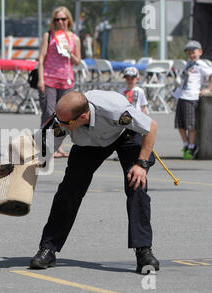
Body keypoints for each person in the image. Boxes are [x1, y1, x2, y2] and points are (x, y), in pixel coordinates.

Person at [30, 90, 160, 274]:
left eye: (65, 123)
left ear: (83, 116)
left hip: (124, 135)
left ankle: (144, 251)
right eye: (58, 119)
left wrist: (141, 164)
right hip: (88, 145)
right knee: (68, 192)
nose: (60, 124)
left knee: (136, 186)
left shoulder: (115, 109)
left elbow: (151, 127)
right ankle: (48, 249)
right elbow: (41, 151)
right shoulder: (64, 119)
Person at [37, 6, 81, 158]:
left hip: (66, 80)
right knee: (49, 112)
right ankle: (45, 144)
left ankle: (59, 146)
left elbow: (77, 61)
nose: (60, 22)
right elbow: (41, 58)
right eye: (57, 19)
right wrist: (41, 79)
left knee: (65, 115)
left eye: (63, 19)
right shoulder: (48, 36)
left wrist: (70, 51)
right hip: (49, 78)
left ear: (69, 20)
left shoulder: (74, 38)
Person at [173, 40, 212, 160]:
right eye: (189, 53)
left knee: (190, 124)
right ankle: (186, 144)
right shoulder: (188, 64)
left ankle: (192, 147)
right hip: (182, 95)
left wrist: (208, 88)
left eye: (193, 52)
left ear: (200, 52)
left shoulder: (201, 64)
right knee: (180, 124)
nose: (191, 55)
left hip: (191, 97)